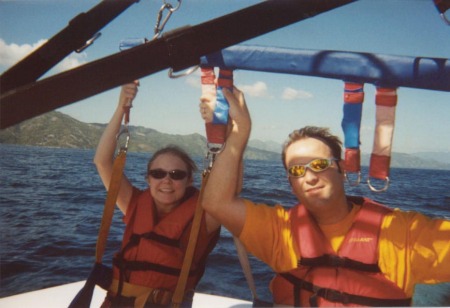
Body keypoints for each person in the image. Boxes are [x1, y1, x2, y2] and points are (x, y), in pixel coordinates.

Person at [200, 86, 450, 306]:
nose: (309, 177)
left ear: (342, 168)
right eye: (297, 171)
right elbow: (215, 202)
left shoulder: (400, 233)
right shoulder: (280, 232)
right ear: (290, 183)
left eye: (319, 165)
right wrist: (241, 130)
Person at [94, 81, 221, 307]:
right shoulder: (133, 203)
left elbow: (229, 188)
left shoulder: (204, 218)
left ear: (190, 180)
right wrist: (121, 107)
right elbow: (102, 162)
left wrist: (218, 126)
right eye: (158, 173)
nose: (166, 180)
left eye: (176, 174)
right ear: (148, 178)